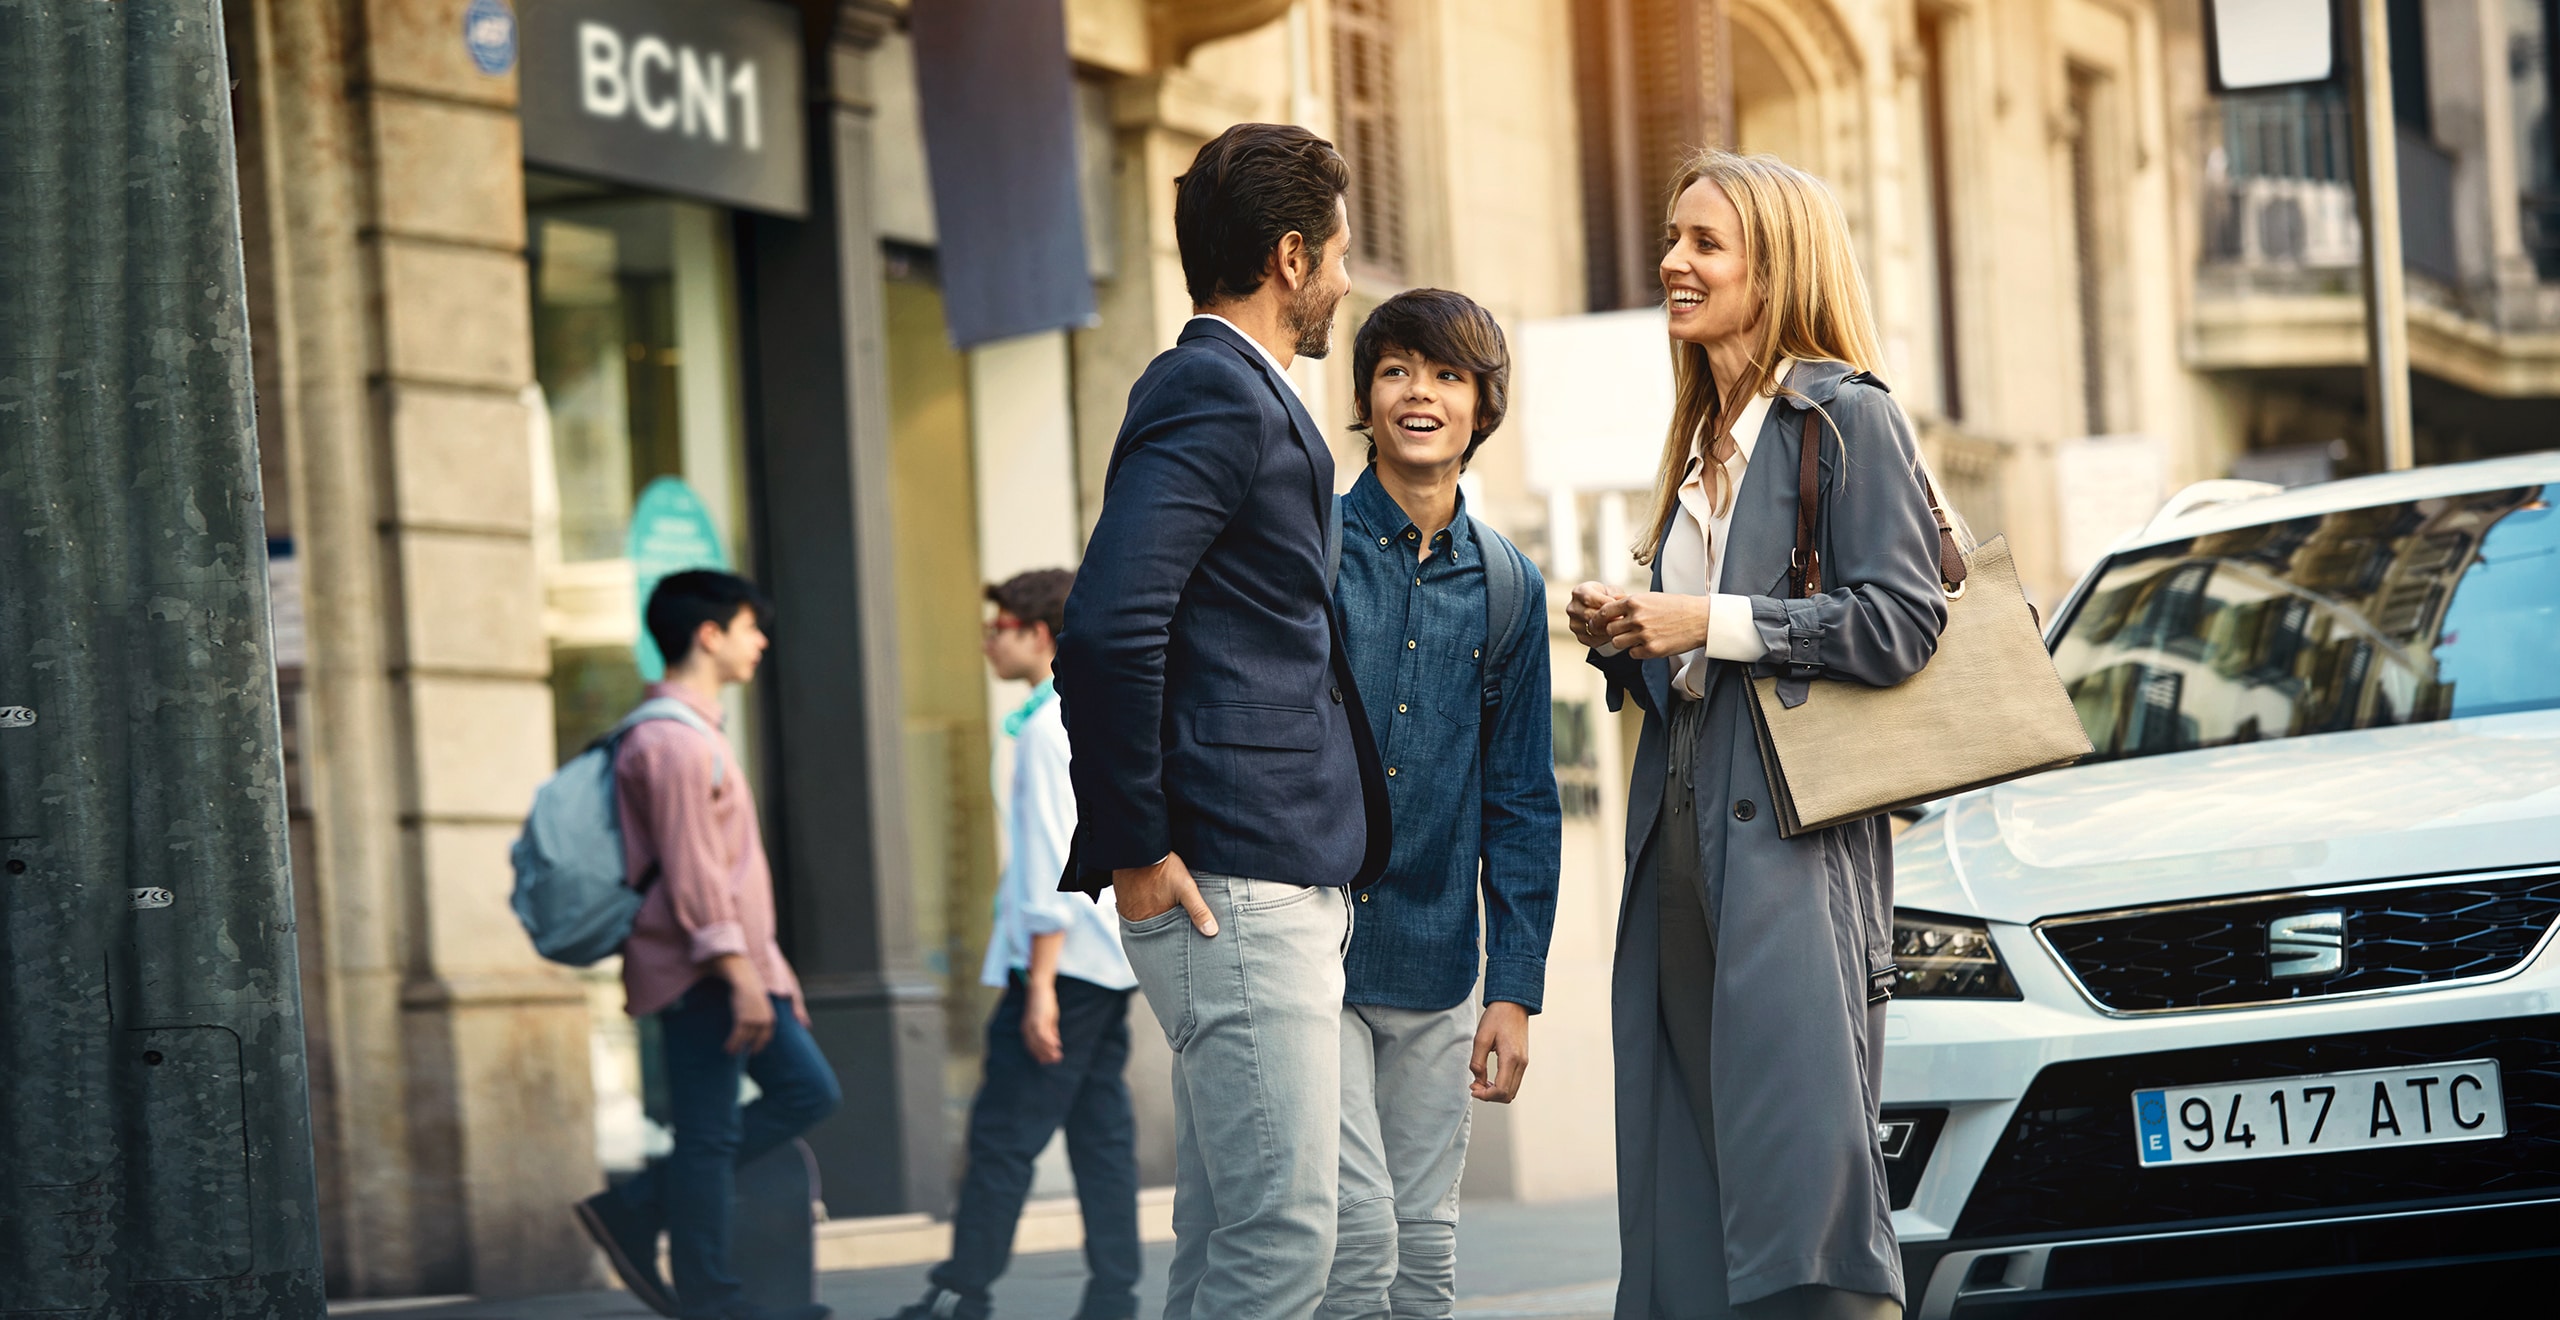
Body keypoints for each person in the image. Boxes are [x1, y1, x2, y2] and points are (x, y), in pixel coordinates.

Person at [1565, 152, 1948, 1320]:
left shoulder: (1846, 414)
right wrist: (1634, 636)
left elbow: (1903, 619)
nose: (1673, 264)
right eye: (1672, 239)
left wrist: (1707, 619)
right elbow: (1699, 663)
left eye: (1703, 244)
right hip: (1678, 813)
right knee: (1691, 1139)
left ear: (1773, 263)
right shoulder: (1701, 437)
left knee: (1798, 1155)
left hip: (1793, 832)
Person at [1055, 121, 1392, 1320]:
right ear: (1292, 256)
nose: (1350, 281)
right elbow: (1104, 626)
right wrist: (1137, 846)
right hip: (1230, 880)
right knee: (1282, 1243)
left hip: (1273, 875)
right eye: (1343, 252)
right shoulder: (1210, 386)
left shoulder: (1241, 391)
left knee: (1265, 1240)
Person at [1320, 291, 1561, 1320]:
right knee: (1353, 1238)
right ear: (1367, 400)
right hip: (1308, 953)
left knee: (1423, 1259)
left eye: (1447, 375)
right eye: (1395, 371)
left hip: (1434, 964)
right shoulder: (1305, 554)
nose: (1419, 392)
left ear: (1480, 407)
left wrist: (1512, 987)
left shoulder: (1508, 587)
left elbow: (1519, 799)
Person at [574, 570, 840, 1320]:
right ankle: (703, 1286)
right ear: (709, 634)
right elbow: (695, 877)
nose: (761, 641)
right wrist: (743, 977)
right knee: (776, 1104)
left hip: (718, 970)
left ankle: (659, 1233)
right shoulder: (672, 744)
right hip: (706, 973)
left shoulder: (690, 734)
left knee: (715, 1132)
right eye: (750, 627)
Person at [885, 568, 1142, 1320]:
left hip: (1061, 966)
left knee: (1003, 1133)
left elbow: (1048, 865)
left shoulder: (1042, 728)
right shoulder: (1091, 713)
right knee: (1100, 1135)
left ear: (1037, 635)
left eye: (996, 628)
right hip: (1107, 961)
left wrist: (1038, 987)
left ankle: (961, 1291)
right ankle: (1113, 1296)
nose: (986, 643)